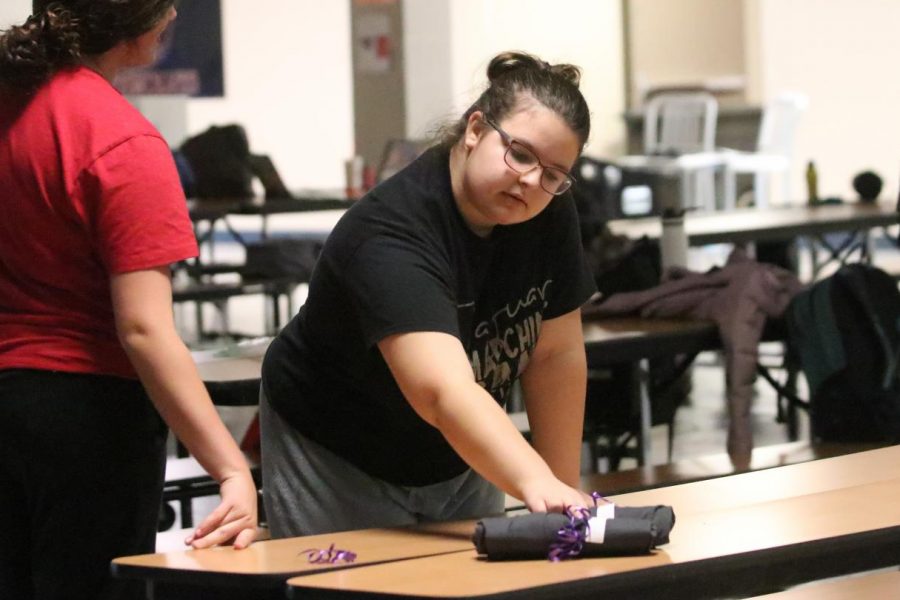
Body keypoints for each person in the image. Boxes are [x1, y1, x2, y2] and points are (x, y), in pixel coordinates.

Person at [260, 51, 598, 537]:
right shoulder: (388, 233)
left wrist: (563, 493)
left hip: (458, 446)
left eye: (552, 174)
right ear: (475, 129)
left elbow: (556, 354)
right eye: (519, 154)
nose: (531, 180)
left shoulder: (543, 209)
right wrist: (534, 480)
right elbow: (442, 392)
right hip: (340, 445)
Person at [0, 2, 257, 599]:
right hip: (84, 418)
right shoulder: (121, 139)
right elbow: (143, 329)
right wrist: (229, 467)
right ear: (138, 31)